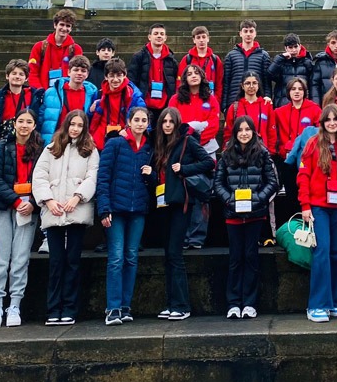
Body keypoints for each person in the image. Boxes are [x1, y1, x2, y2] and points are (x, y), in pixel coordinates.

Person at [32, 109, 99, 326]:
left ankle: (69, 308)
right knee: (56, 262)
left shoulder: (90, 150)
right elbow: (39, 176)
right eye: (72, 124)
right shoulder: (51, 149)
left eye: (80, 125)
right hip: (54, 212)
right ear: (66, 125)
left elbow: (92, 177)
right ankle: (54, 309)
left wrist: (78, 197)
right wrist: (49, 200)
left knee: (72, 262)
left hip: (76, 211)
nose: (75, 129)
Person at [214, 115, 279, 319]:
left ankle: (249, 303)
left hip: (255, 214)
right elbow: (218, 183)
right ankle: (233, 303)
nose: (244, 133)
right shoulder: (226, 155)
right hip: (233, 214)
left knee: (251, 257)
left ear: (253, 132)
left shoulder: (262, 153)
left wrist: (258, 199)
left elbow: (272, 182)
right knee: (235, 258)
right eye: (240, 130)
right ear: (235, 133)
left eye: (247, 129)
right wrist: (229, 200)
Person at [152, 106, 213, 320]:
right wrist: (149, 173)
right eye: (164, 122)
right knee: (168, 255)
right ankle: (172, 303)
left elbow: (209, 162)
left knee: (175, 254)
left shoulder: (187, 141)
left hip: (180, 204)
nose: (167, 125)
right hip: (162, 204)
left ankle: (182, 305)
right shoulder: (159, 144)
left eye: (171, 121)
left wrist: (184, 169)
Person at [297, 104, 337, 323]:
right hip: (318, 207)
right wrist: (305, 206)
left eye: (336, 119)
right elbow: (303, 176)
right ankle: (317, 305)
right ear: (321, 123)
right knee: (321, 252)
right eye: (328, 119)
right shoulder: (313, 143)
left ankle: (334, 301)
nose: (332, 123)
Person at [0, 108, 42, 328]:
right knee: (0, 260)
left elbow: (44, 178)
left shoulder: (40, 149)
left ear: (34, 125)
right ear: (14, 123)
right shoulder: (1, 146)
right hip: (3, 207)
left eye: (29, 121)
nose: (24, 125)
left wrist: (33, 204)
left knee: (20, 259)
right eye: (21, 121)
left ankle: (15, 304)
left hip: (29, 208)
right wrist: (16, 201)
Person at [97, 106, 154, 326]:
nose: (140, 123)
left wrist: (153, 175)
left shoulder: (149, 148)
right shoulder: (115, 144)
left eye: (144, 120)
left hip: (138, 209)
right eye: (136, 120)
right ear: (128, 122)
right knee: (116, 258)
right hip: (116, 210)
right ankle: (112, 308)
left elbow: (153, 178)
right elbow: (103, 177)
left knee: (131, 257)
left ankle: (125, 306)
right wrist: (104, 208)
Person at [168, 64, 222, 249]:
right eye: (189, 74)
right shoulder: (176, 99)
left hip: (206, 149)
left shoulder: (211, 98)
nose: (193, 76)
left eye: (196, 73)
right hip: (182, 150)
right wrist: (194, 133)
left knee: (202, 193)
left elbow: (214, 124)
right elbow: (173, 123)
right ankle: (183, 237)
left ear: (202, 76)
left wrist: (196, 139)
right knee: (183, 193)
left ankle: (198, 238)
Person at [270, 78, 321, 234]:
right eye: (293, 89)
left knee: (307, 194)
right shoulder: (279, 112)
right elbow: (273, 132)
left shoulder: (314, 109)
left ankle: (310, 227)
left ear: (305, 91)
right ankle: (294, 230)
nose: (297, 92)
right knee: (291, 195)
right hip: (287, 160)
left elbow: (320, 134)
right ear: (288, 92)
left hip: (308, 160)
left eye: (300, 89)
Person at [127, 23, 179, 125]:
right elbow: (132, 80)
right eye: (156, 33)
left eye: (161, 34)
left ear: (165, 38)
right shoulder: (138, 57)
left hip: (165, 105)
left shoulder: (171, 60)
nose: (159, 36)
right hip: (144, 104)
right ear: (149, 37)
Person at [89, 58, 146, 149]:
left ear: (125, 75)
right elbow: (92, 117)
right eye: (111, 76)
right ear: (106, 77)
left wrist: (129, 131)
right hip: (99, 140)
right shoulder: (99, 94)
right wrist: (91, 111)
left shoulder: (133, 96)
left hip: (124, 139)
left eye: (119, 75)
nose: (115, 80)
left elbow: (144, 119)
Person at [39, 55, 97, 142]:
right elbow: (41, 118)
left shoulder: (92, 94)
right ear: (69, 72)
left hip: (79, 141)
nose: (79, 73)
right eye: (76, 70)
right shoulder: (51, 93)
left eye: (83, 71)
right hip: (55, 140)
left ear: (87, 74)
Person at [0, 59, 44, 141]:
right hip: (4, 139)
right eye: (14, 73)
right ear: (7, 76)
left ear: (26, 78)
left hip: (28, 138)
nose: (17, 77)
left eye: (21, 74)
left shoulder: (35, 96)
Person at [28, 9, 82, 90]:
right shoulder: (39, 47)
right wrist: (40, 91)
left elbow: (78, 73)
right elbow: (32, 73)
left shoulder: (76, 49)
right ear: (55, 25)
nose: (64, 28)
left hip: (66, 94)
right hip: (43, 93)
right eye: (62, 24)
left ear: (71, 29)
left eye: (68, 26)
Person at [222, 19, 273, 107]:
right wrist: (224, 105)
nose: (248, 34)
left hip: (257, 101)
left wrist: (267, 97)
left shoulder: (264, 55)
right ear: (240, 33)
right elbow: (226, 82)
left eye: (251, 31)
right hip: (235, 101)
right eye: (245, 31)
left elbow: (267, 81)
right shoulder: (231, 56)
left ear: (255, 33)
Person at [225, 71, 274, 147]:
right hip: (239, 152)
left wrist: (270, 152)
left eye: (254, 83)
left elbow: (271, 131)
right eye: (247, 83)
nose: (251, 86)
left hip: (261, 151)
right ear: (242, 86)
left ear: (258, 85)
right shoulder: (234, 107)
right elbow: (228, 132)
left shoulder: (266, 105)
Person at [268, 33, 315, 108]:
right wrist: (279, 59)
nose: (294, 50)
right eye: (290, 47)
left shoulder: (307, 62)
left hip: (302, 105)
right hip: (283, 104)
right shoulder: (280, 63)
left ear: (300, 46)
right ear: (286, 48)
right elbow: (269, 75)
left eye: (296, 47)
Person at [180, 25, 224, 100]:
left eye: (203, 37)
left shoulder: (215, 59)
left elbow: (220, 83)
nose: (201, 40)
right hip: (191, 99)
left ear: (208, 38)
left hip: (211, 99)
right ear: (194, 40)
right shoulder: (187, 59)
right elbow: (180, 82)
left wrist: (217, 99)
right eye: (198, 37)